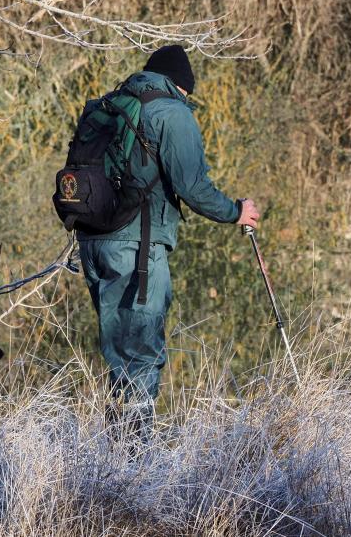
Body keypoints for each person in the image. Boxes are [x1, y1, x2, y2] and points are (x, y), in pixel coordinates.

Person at [77, 45, 260, 438]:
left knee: (119, 350)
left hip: (92, 243)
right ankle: (135, 454)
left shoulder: (108, 105)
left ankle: (116, 448)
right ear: (181, 86)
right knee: (141, 349)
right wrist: (236, 211)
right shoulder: (170, 112)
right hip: (136, 247)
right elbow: (193, 187)